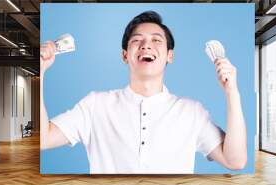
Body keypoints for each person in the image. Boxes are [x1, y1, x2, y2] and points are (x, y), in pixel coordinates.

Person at [40, 11, 247, 174]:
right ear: (124, 55)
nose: (146, 45)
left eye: (156, 40)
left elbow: (234, 160)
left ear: (169, 55)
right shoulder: (95, 105)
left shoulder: (191, 111)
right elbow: (44, 138)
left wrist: (232, 93)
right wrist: (39, 71)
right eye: (137, 40)